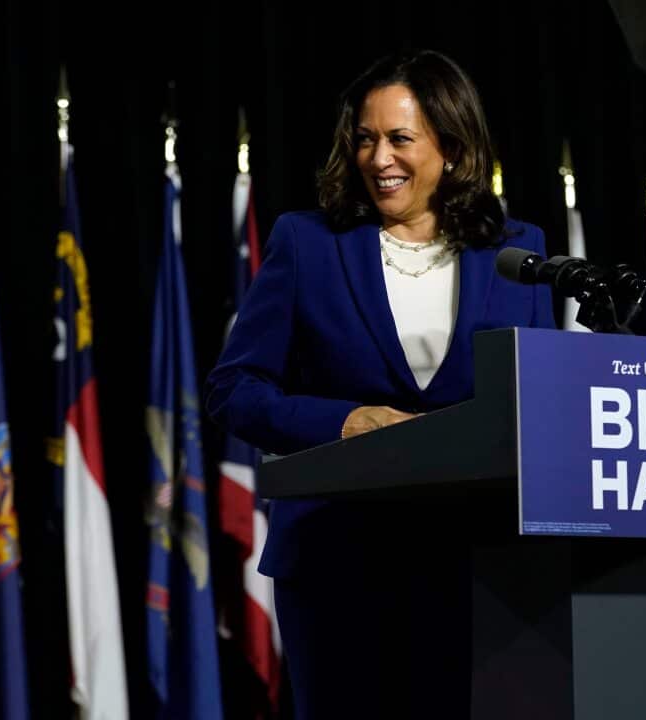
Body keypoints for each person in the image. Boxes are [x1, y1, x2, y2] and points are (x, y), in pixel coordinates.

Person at [206, 50, 555, 718]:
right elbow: (234, 389)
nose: (378, 158)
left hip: (480, 568)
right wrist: (346, 424)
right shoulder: (308, 243)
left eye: (400, 139)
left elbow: (533, 401)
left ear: (451, 147)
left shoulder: (518, 251)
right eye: (365, 139)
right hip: (338, 565)